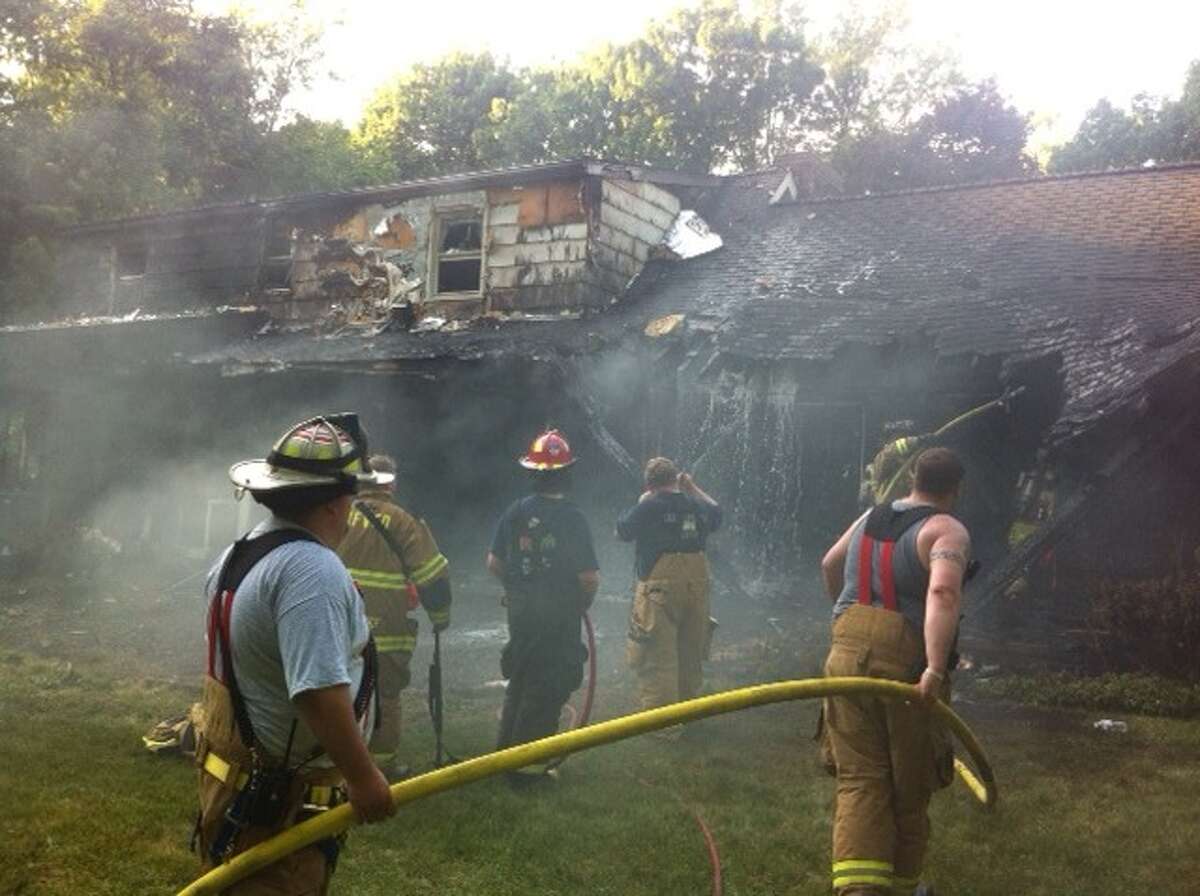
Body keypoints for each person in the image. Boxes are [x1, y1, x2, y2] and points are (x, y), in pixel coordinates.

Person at [192, 414, 396, 893]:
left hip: (238, 790)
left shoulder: (243, 552)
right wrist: (364, 778)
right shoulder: (311, 569)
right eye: (352, 497)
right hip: (277, 806)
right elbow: (318, 692)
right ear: (333, 501)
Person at [819, 447, 971, 896]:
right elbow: (942, 592)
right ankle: (903, 886)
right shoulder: (946, 529)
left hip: (844, 654)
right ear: (956, 490)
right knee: (910, 778)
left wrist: (848, 624)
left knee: (861, 776)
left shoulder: (870, 516)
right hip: (904, 662)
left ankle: (861, 890)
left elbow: (829, 564)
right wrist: (936, 668)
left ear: (913, 480)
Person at [486, 429, 599, 780]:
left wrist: (516, 588)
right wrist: (578, 605)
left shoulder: (514, 513)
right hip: (558, 614)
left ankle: (505, 755)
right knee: (550, 681)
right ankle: (528, 771)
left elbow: (493, 562)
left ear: (532, 473)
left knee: (521, 675)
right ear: (567, 473)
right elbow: (589, 579)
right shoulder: (572, 518)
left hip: (520, 613)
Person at [336, 453, 452, 780]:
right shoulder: (406, 521)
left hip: (339, 623)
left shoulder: (337, 514)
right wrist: (441, 617)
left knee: (336, 690)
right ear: (392, 484)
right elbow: (432, 575)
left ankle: (334, 764)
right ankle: (381, 766)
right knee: (384, 694)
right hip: (386, 628)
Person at [616, 457, 721, 713]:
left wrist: (643, 502)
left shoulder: (649, 505)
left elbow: (622, 532)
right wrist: (692, 488)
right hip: (697, 586)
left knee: (657, 657)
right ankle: (688, 713)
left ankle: (664, 728)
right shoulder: (697, 504)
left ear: (649, 485)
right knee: (690, 652)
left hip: (659, 591)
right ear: (676, 480)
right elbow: (717, 513)